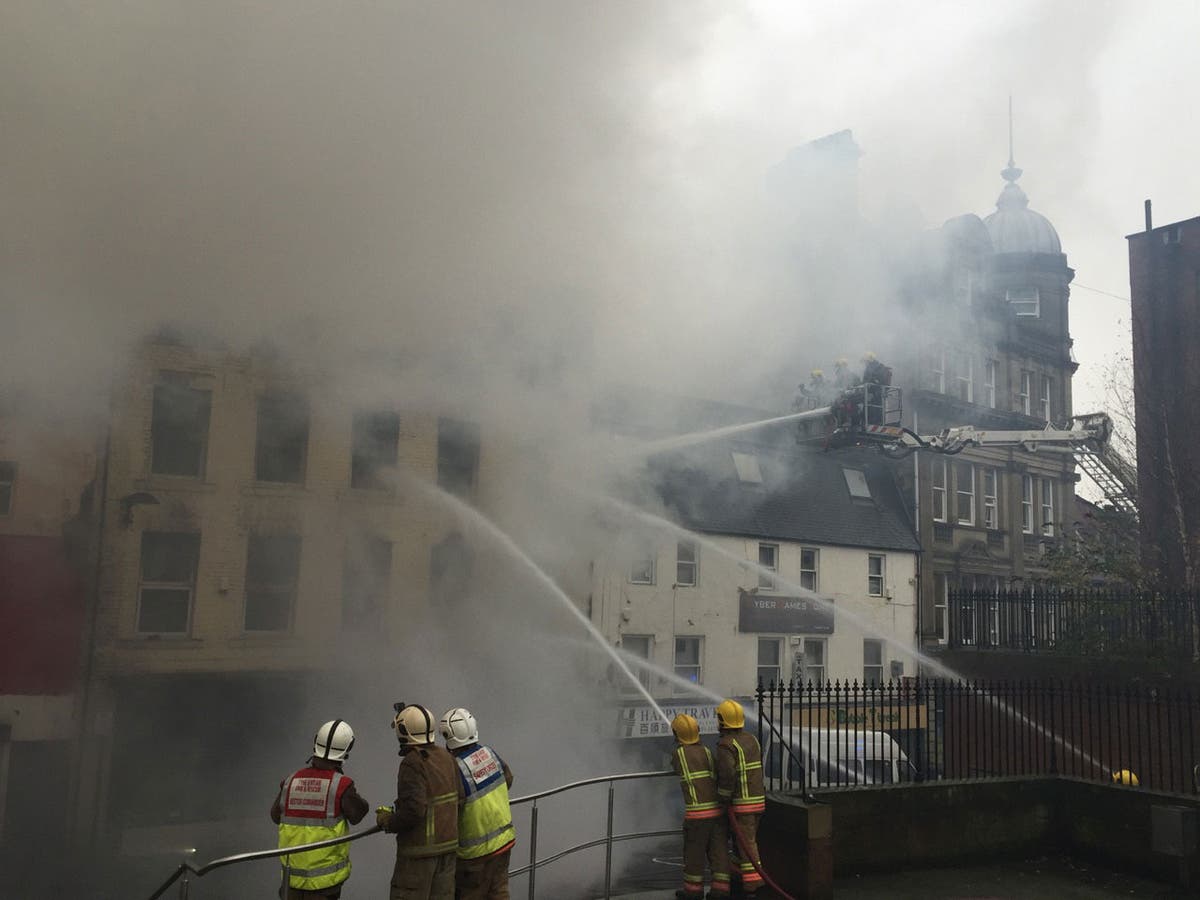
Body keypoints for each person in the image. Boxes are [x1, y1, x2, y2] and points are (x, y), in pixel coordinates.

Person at [271, 720, 369, 900]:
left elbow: (275, 816)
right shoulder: (341, 785)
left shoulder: (291, 781)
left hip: (291, 882)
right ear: (346, 751)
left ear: (316, 743)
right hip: (325, 887)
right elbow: (358, 814)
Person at [377, 703, 465, 900]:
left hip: (418, 857)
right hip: (448, 852)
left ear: (403, 732)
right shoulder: (446, 756)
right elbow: (461, 797)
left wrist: (388, 821)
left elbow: (414, 810)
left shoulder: (412, 762)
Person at [439, 707, 516, 899]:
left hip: (474, 856)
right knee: (499, 893)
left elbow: (449, 808)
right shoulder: (489, 753)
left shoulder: (455, 768)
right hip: (504, 842)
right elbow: (508, 780)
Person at [669, 713, 730, 899]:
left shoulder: (679, 754)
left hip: (697, 817)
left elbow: (675, 767)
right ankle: (720, 891)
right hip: (717, 813)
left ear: (677, 735)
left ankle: (693, 893)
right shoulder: (706, 751)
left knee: (694, 856)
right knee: (718, 854)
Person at [714, 700, 765, 897]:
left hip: (742, 804)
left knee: (747, 844)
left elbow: (727, 776)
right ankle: (737, 876)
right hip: (758, 801)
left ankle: (753, 884)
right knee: (740, 843)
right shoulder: (752, 739)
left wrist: (723, 797)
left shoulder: (726, 745)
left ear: (722, 721)